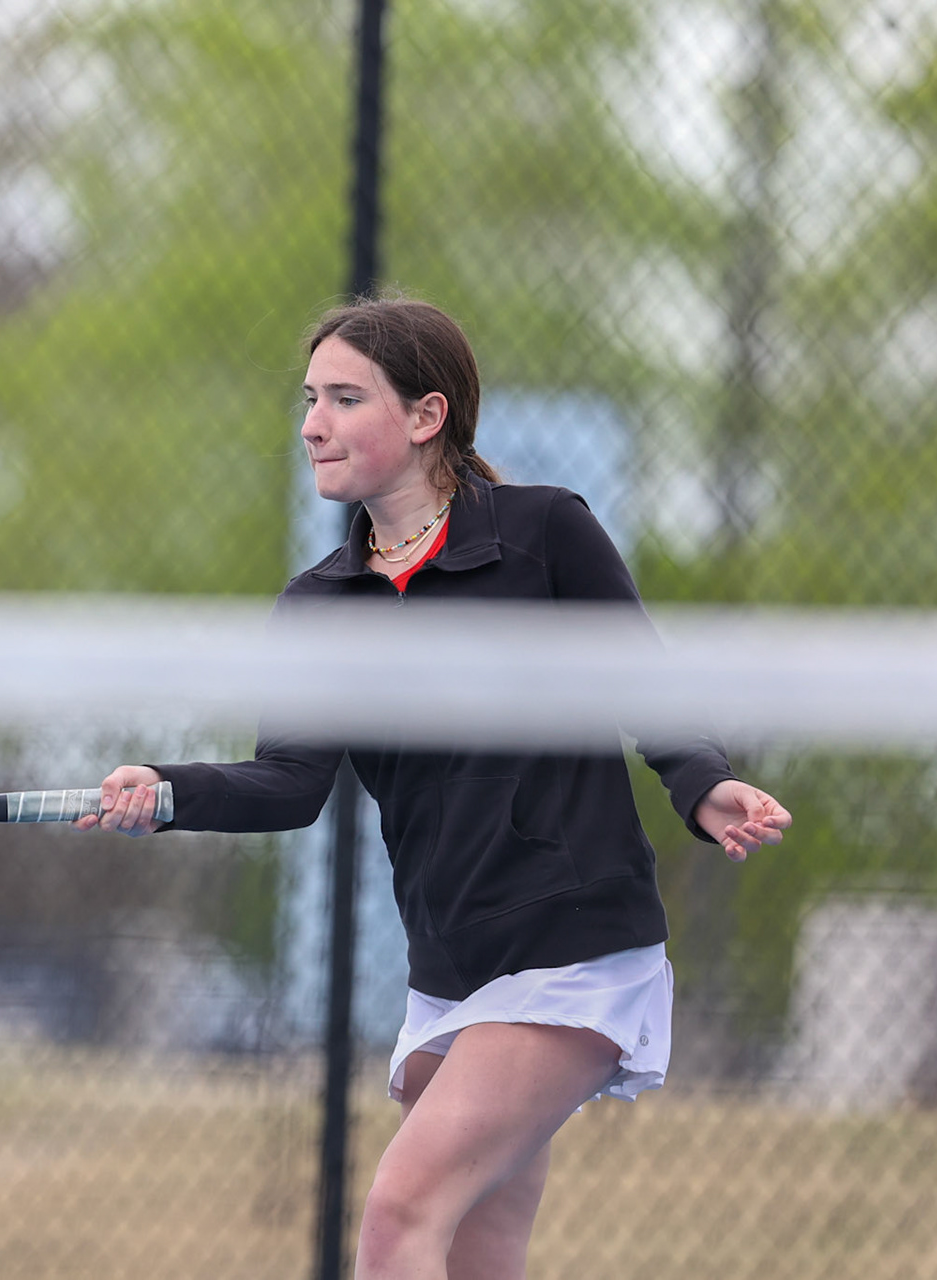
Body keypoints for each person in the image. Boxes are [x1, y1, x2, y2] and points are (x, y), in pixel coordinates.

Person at [76, 296, 791, 1280]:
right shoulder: (320, 605)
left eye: (343, 397)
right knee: (473, 1247)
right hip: (449, 962)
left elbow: (644, 685)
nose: (312, 423)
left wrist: (702, 783)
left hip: (573, 945)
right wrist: (166, 787)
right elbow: (289, 782)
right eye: (309, 398)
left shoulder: (545, 533)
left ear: (426, 416)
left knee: (400, 1215)